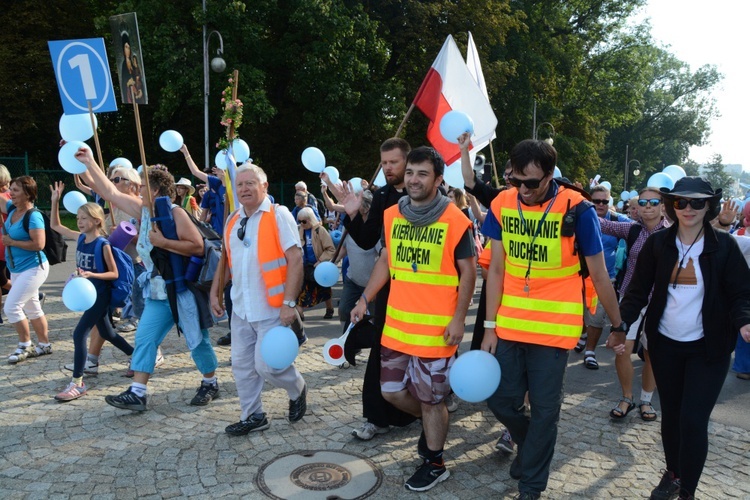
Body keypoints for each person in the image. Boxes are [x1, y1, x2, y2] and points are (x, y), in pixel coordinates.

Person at [481, 139, 625, 499]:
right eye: (517, 181)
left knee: (545, 412)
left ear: (550, 175)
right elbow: (495, 268)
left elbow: (599, 274)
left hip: (554, 330)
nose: (524, 190)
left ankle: (531, 486)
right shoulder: (502, 202)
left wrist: (618, 323)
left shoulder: (577, 209)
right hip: (510, 324)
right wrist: (487, 326)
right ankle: (530, 448)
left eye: (533, 183)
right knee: (500, 401)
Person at [350, 146, 476, 492]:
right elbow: (386, 262)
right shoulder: (392, 215)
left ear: (438, 180)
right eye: (410, 173)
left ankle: (435, 462)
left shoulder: (454, 220)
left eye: (422, 173)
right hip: (397, 329)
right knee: (391, 393)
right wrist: (365, 298)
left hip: (437, 333)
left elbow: (469, 273)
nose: (414, 179)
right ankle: (435, 421)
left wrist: (458, 319)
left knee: (431, 400)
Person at [617, 176, 750, 500]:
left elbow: (741, 294)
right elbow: (636, 291)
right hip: (665, 345)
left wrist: (745, 322)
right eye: (681, 202)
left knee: (692, 420)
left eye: (697, 202)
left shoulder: (724, 246)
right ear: (672, 205)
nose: (688, 208)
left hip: (710, 348)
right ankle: (673, 474)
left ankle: (687, 490)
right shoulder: (659, 243)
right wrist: (621, 325)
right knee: (672, 416)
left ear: (709, 206)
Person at [74, 147, 219, 411]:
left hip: (182, 288)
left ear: (156, 191)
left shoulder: (175, 213)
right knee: (144, 338)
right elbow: (110, 192)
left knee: (197, 340)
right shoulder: (144, 212)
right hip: (157, 291)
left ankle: (210, 382)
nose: (138, 190)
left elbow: (197, 246)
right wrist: (90, 161)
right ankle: (138, 392)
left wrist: (162, 241)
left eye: (143, 187)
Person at [210, 164, 307, 434]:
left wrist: (289, 303)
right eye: (240, 184)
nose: (244, 189)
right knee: (242, 367)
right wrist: (214, 291)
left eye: (250, 183)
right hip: (241, 307)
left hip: (272, 308)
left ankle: (296, 387)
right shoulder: (232, 220)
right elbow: (226, 262)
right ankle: (253, 416)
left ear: (264, 187)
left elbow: (295, 259)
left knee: (268, 366)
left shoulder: (279, 215)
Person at [336, 137, 417, 440]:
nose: (387, 168)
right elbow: (369, 240)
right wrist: (354, 214)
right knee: (383, 348)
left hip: (425, 288)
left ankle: (425, 404)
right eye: (384, 163)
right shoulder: (382, 195)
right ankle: (376, 416)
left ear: (408, 161)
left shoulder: (427, 192)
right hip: (390, 285)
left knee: (421, 350)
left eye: (393, 162)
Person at [49, 186, 134, 401]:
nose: (79, 222)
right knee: (106, 333)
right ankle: (138, 357)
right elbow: (55, 225)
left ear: (97, 220)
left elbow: (113, 273)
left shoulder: (102, 244)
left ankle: (77, 383)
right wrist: (55, 201)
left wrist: (91, 275)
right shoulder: (80, 239)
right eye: (78, 218)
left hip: (99, 295)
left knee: (79, 334)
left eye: (84, 218)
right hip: (87, 296)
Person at [599, 187, 669, 422]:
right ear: (637, 207)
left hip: (661, 302)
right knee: (622, 349)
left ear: (663, 206)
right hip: (631, 299)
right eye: (643, 201)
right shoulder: (632, 229)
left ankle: (646, 400)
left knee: (652, 353)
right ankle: (627, 397)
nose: (648, 205)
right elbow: (603, 225)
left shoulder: (674, 233)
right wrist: (580, 207)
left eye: (654, 201)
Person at [578, 185, 630, 369]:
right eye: (596, 201)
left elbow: (637, 227)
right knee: (581, 314)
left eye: (604, 201)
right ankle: (583, 334)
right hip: (579, 277)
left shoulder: (617, 220)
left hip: (605, 279)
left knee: (597, 317)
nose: (600, 204)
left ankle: (590, 352)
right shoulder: (581, 217)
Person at [2, 176, 51, 364]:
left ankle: (25, 345)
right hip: (16, 268)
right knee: (32, 307)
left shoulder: (34, 216)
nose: (10, 193)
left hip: (34, 268)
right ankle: (45, 345)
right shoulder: (12, 209)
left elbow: (39, 244)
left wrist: (12, 242)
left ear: (28, 194)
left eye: (15, 190)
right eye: (10, 189)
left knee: (12, 307)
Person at [296, 207, 335, 320]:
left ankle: (329, 309)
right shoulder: (298, 230)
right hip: (303, 266)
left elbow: (330, 249)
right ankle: (300, 314)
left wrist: (321, 260)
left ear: (310, 219)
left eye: (304, 221)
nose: (301, 224)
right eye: (299, 221)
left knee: (324, 288)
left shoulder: (320, 230)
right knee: (300, 290)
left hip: (318, 266)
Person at [0, 164, 13, 322]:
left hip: (2, 240)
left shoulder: (3, 196)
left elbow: (12, 212)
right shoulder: (11, 193)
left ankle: (33, 295)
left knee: (1, 278)